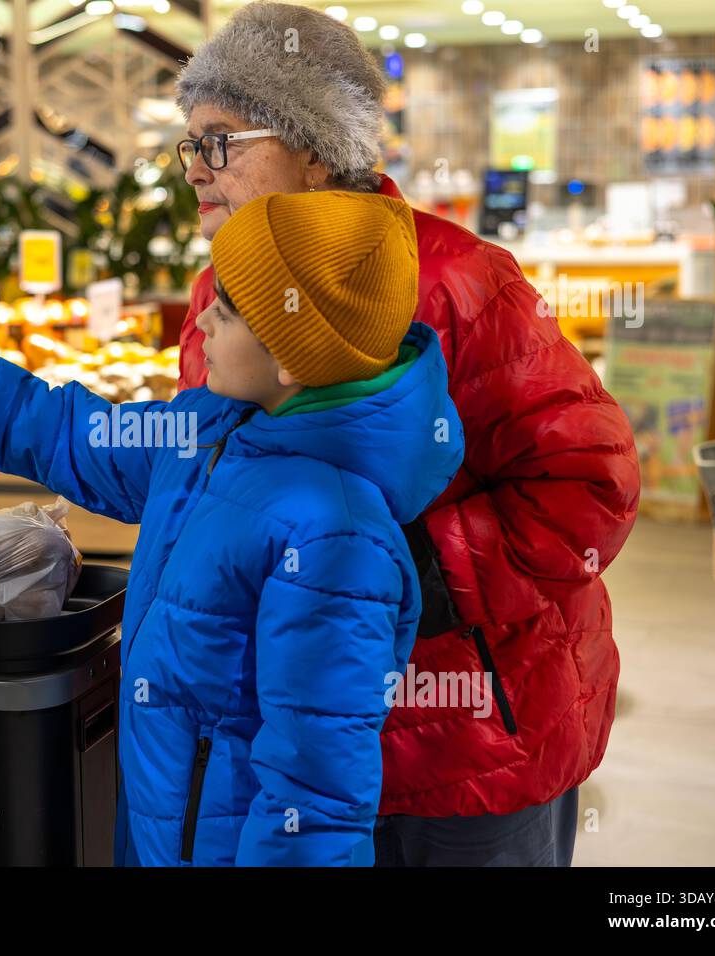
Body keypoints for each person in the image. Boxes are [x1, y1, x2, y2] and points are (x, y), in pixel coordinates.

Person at [0, 188, 463, 865]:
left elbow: (314, 799)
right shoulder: (205, 429)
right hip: (160, 825)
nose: (199, 328)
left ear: (291, 356)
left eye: (222, 315)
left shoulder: (336, 538)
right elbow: (59, 429)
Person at [173, 1, 640, 865]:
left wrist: (422, 574)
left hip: (470, 751)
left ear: (315, 147)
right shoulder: (217, 297)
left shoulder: (459, 282)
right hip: (304, 752)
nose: (197, 171)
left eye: (222, 142)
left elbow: (590, 483)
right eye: (189, 145)